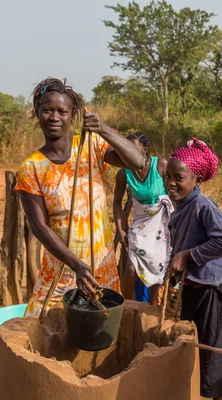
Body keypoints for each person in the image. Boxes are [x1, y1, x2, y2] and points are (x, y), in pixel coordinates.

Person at [16, 78, 144, 317]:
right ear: (37, 113)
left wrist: (103, 129)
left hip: (100, 268)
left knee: (98, 331)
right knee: (39, 325)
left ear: (72, 114)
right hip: (62, 270)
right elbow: (39, 227)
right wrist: (76, 265)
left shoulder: (91, 146)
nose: (54, 117)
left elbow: (137, 161)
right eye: (47, 110)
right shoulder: (31, 168)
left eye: (62, 111)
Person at [167, 138, 222, 400]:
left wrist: (189, 255)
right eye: (167, 177)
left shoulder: (203, 206)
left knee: (217, 366)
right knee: (201, 357)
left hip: (215, 295)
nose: (171, 183)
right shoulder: (182, 207)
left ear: (196, 180)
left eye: (178, 178)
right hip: (197, 291)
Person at [113, 132, 173, 305]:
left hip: (162, 224)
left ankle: (152, 311)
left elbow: (176, 192)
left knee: (157, 269)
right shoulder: (124, 173)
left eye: (134, 150)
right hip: (140, 224)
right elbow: (117, 203)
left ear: (145, 150)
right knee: (131, 269)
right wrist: (120, 228)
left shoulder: (161, 165)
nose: (129, 154)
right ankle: (126, 308)